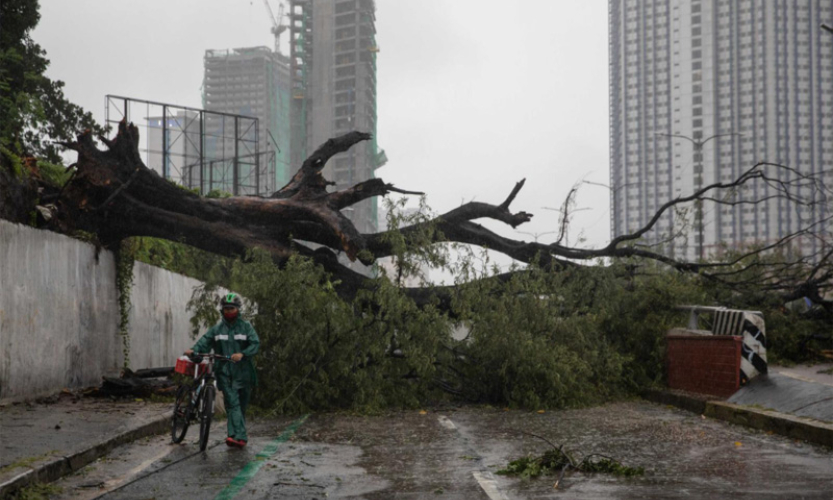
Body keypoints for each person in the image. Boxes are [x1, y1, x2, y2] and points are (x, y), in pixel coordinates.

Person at [185, 292, 259, 448]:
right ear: (222, 310)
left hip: (244, 372)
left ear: (238, 309)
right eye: (226, 308)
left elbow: (255, 344)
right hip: (225, 372)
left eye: (232, 308)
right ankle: (240, 437)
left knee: (241, 406)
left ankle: (233, 435)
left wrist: (242, 354)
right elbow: (204, 342)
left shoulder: (246, 327)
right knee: (232, 404)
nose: (229, 311)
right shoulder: (217, 329)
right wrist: (193, 350)